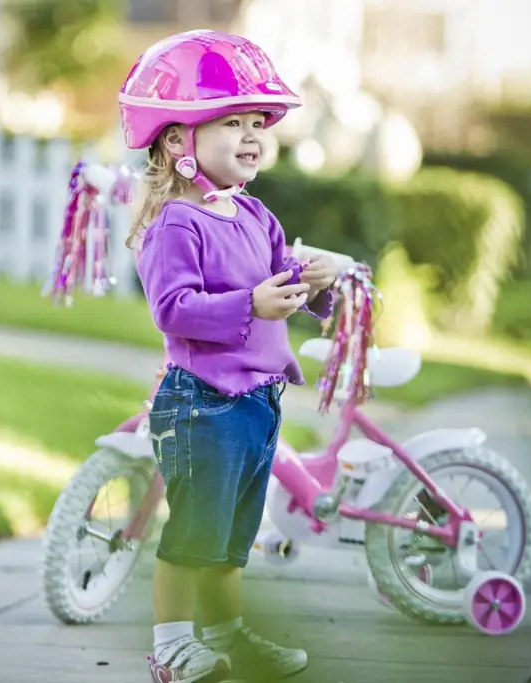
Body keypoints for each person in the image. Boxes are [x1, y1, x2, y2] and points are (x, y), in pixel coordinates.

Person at [120, 30, 341, 683]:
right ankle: (170, 645)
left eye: (256, 123)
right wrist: (252, 303)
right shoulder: (173, 225)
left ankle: (224, 635)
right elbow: (174, 309)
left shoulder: (255, 216)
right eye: (231, 122)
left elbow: (283, 285)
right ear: (175, 141)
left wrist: (315, 287)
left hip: (257, 405)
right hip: (203, 405)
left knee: (232, 536)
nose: (252, 136)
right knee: (195, 530)